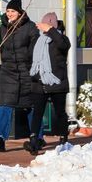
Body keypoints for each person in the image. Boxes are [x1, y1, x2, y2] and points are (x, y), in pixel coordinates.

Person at [0, 0, 37, 152]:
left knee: (29, 106)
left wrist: (30, 68)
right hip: (8, 72)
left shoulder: (30, 28)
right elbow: (2, 49)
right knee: (5, 104)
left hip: (26, 72)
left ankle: (37, 137)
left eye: (13, 11)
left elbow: (34, 50)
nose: (9, 14)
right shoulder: (3, 27)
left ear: (20, 12)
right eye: (8, 11)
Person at [26, 12, 71, 153]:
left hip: (57, 83)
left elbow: (64, 46)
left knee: (60, 113)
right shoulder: (37, 41)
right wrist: (34, 75)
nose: (43, 28)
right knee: (37, 113)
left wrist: (51, 30)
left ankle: (63, 138)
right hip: (39, 84)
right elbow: (29, 58)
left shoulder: (62, 39)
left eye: (46, 25)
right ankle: (33, 139)